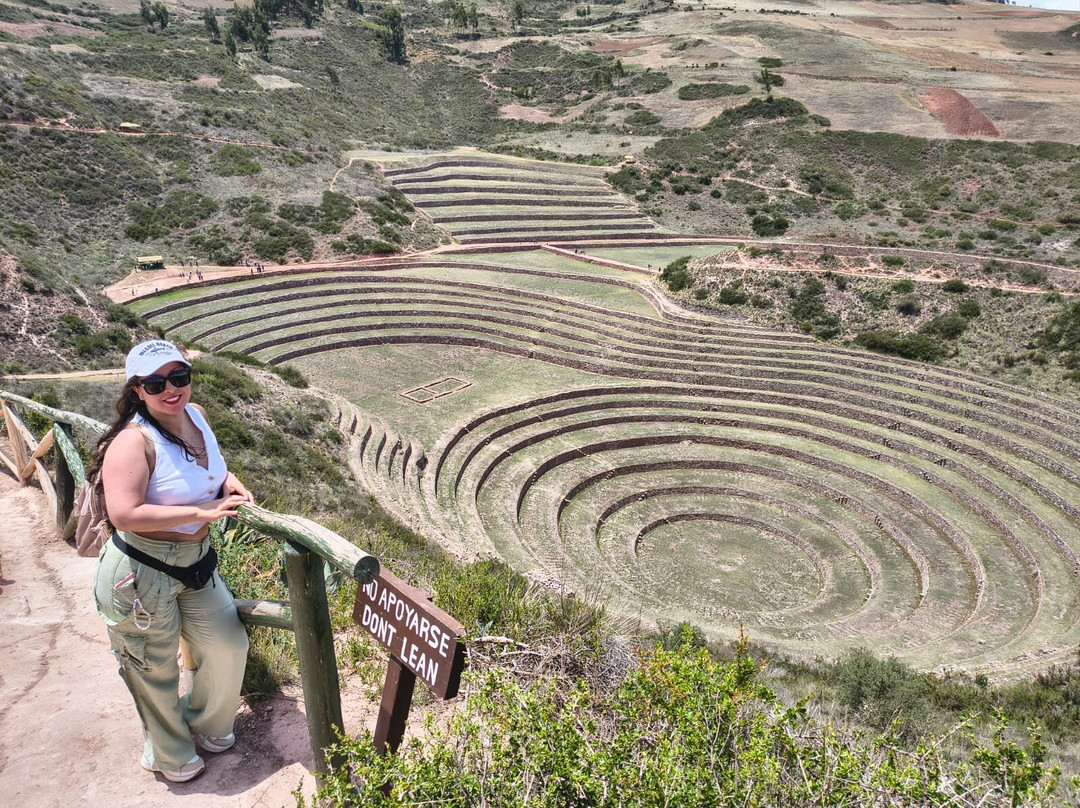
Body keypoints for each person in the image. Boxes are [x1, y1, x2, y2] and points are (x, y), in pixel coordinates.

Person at [91, 339, 253, 783]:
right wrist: (201, 513)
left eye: (178, 377)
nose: (170, 389)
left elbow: (209, 467)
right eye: (155, 382)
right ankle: (168, 752)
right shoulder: (132, 441)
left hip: (196, 559)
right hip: (141, 569)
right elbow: (123, 512)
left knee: (228, 644)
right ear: (137, 389)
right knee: (152, 666)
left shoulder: (195, 415)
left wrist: (230, 486)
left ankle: (203, 724)